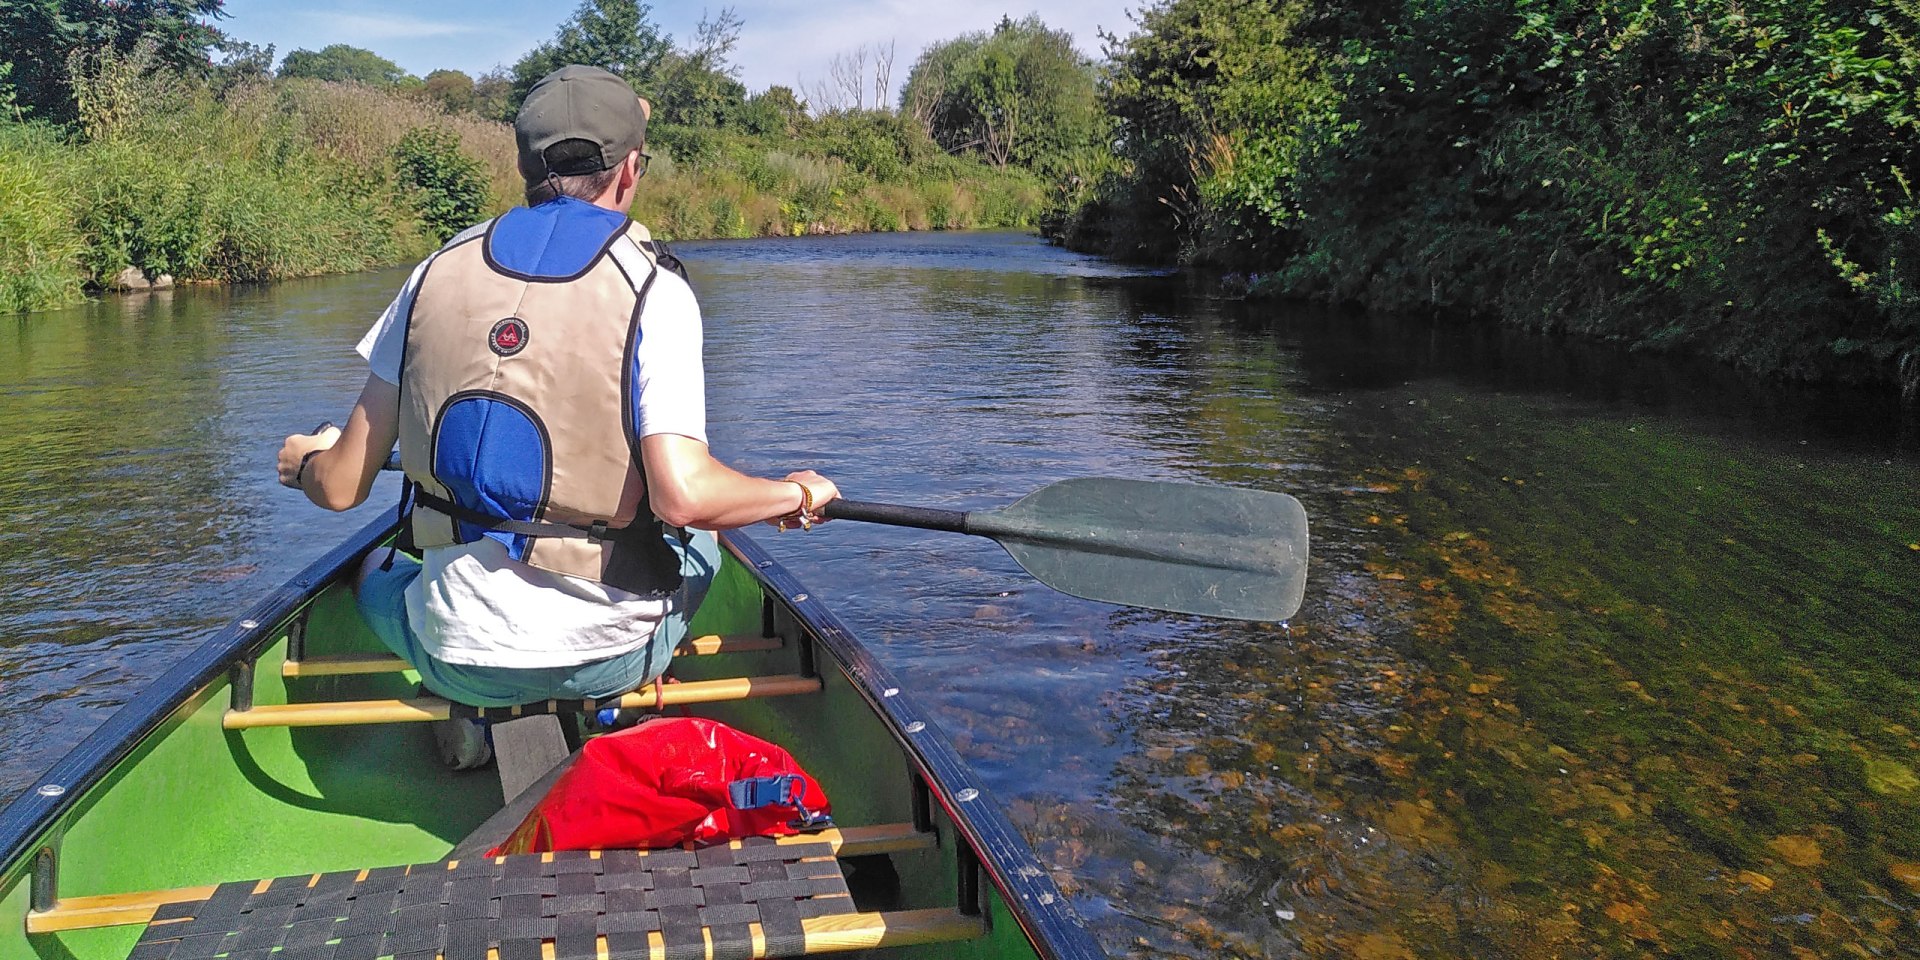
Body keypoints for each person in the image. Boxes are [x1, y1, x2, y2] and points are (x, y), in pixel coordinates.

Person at [276, 64, 838, 768]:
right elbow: (684, 495)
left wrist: (307, 461)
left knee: (373, 569)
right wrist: (797, 492)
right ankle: (608, 716)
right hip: (609, 655)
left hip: (455, 653)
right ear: (630, 170)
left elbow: (340, 488)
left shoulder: (432, 273)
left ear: (524, 167)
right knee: (703, 542)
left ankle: (468, 716)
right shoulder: (654, 285)